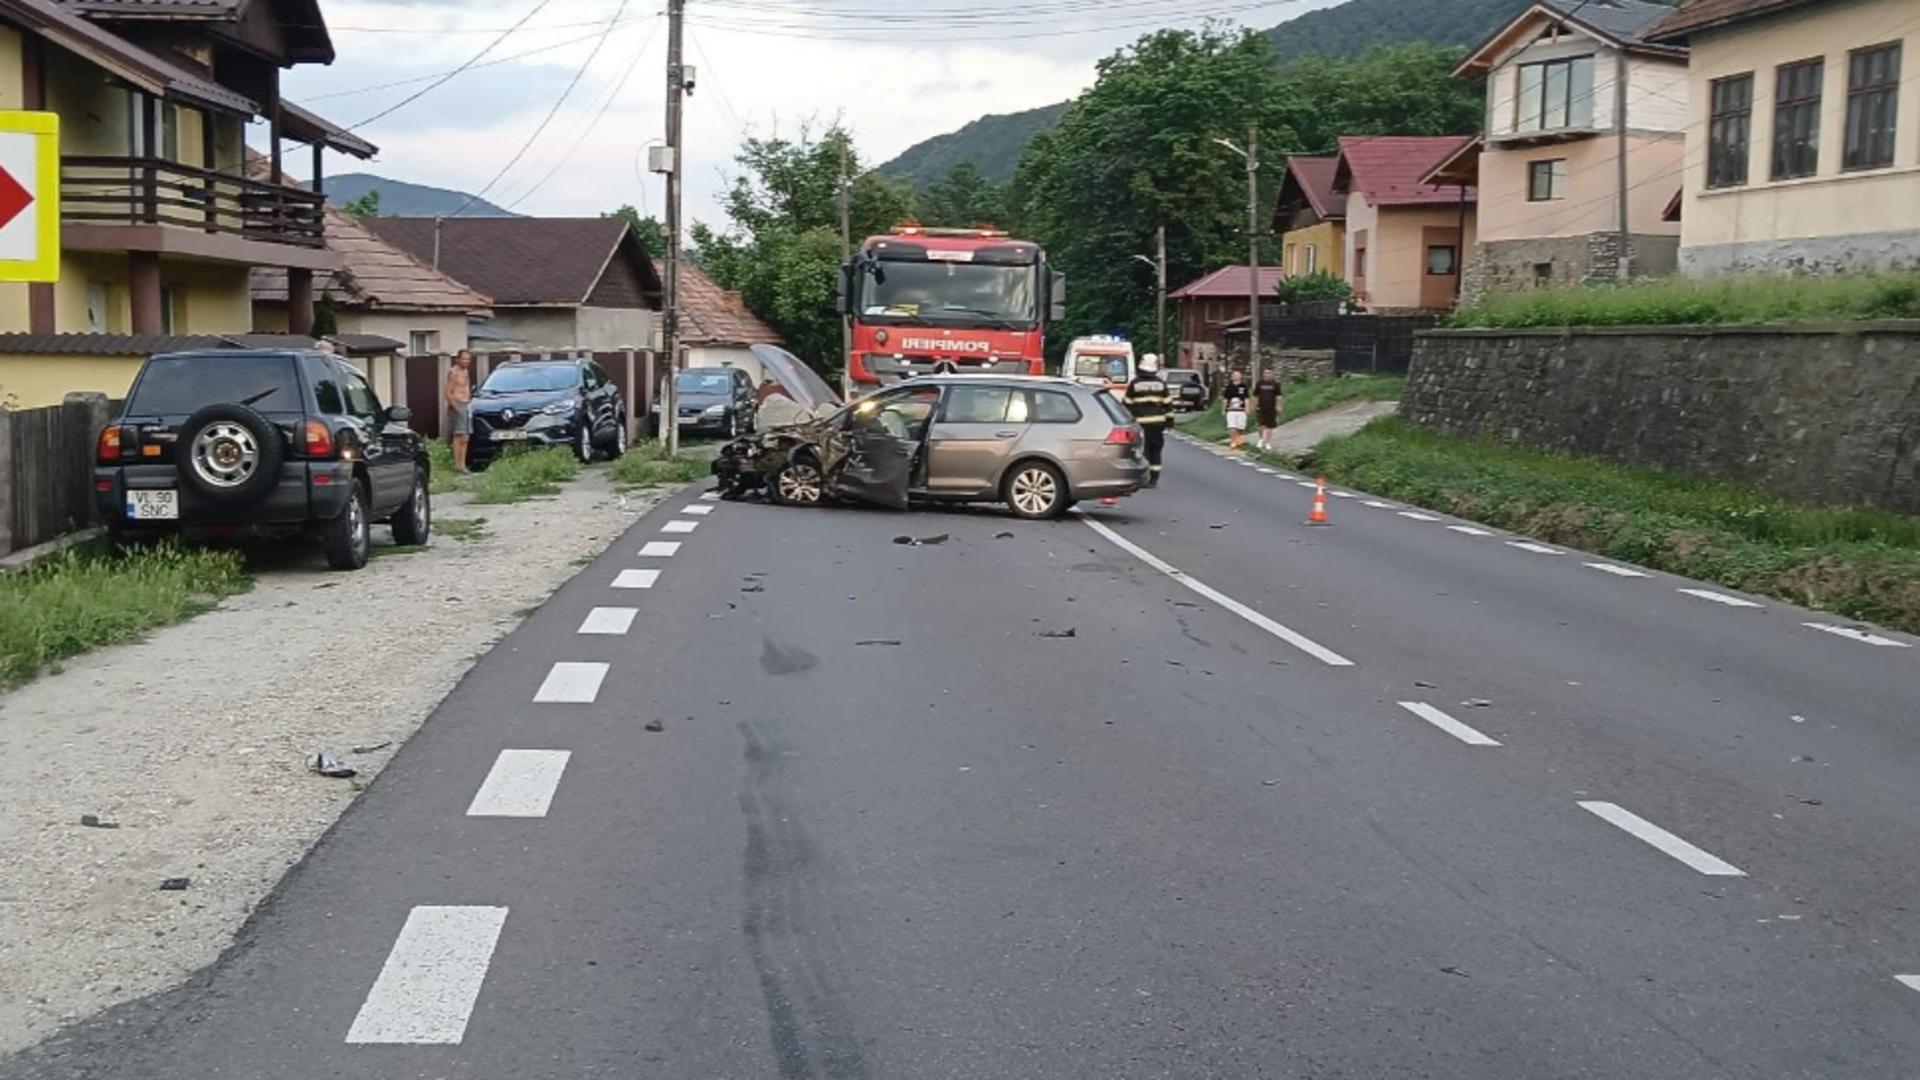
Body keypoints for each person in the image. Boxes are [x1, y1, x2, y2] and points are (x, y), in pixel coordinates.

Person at [1124, 352, 1171, 488]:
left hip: (1140, 422)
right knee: (1155, 450)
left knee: (1140, 450)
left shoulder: (1135, 383)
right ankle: (1154, 479)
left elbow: (1127, 402)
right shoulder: (1160, 384)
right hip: (1157, 423)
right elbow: (1168, 404)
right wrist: (1169, 423)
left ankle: (1140, 477)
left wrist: (1129, 418)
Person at [446, 350, 473, 473]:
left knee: (466, 437)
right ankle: (457, 464)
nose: (466, 361)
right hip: (457, 404)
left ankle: (463, 464)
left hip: (466, 404)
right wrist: (456, 407)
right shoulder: (453, 372)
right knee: (458, 435)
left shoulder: (465, 371)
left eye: (468, 359)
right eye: (464, 359)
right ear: (457, 359)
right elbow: (447, 393)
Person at [1254, 367, 1283, 452]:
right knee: (1261, 424)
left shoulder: (1276, 384)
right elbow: (1255, 395)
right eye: (1265, 373)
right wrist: (1254, 406)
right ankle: (1261, 439)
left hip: (1271, 408)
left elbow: (1279, 396)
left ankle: (1267, 442)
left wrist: (1279, 406)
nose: (1266, 375)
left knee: (1269, 426)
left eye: (1269, 373)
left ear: (1272, 374)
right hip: (1261, 407)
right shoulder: (1260, 383)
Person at [1222, 369, 1252, 451]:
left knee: (1240, 428)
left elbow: (1246, 398)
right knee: (1232, 427)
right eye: (1234, 375)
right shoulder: (1229, 387)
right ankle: (1233, 441)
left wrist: (1247, 408)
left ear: (1241, 377)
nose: (1236, 377)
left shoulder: (1244, 387)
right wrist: (1224, 409)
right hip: (1231, 410)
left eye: (1238, 375)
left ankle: (1238, 440)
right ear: (1232, 377)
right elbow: (1225, 399)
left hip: (1241, 410)